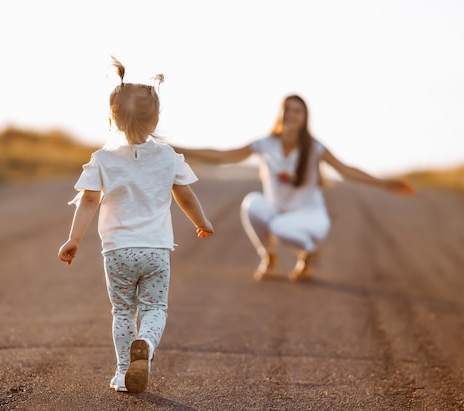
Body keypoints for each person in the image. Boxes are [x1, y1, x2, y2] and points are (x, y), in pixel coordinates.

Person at [57, 57, 214, 394]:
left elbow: (87, 201)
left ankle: (123, 373)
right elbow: (185, 196)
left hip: (117, 252)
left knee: (123, 311)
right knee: (154, 308)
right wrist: (201, 222)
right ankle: (146, 342)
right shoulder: (168, 157)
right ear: (156, 118)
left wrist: (74, 239)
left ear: (112, 117)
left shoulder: (102, 159)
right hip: (156, 250)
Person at [171, 94, 414, 282]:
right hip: (278, 211)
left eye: (297, 111)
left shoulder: (315, 147)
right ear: (280, 113)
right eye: (287, 109)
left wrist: (384, 183)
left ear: (304, 117)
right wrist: (182, 148)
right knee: (252, 204)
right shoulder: (265, 144)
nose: (291, 114)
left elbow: (346, 170)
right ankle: (269, 257)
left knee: (279, 226)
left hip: (311, 218)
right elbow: (224, 155)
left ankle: (309, 254)